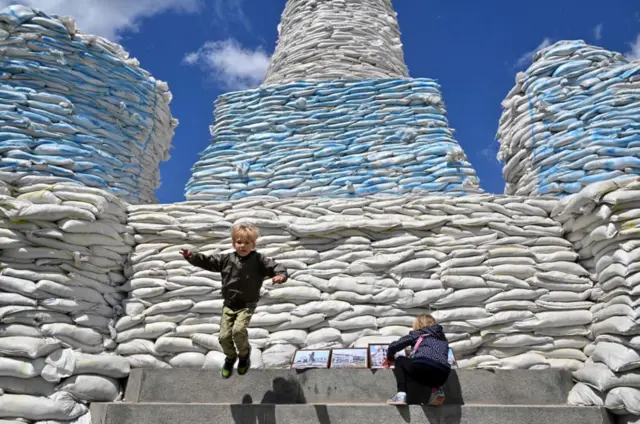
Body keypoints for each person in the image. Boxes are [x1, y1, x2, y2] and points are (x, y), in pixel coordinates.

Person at [180, 223, 288, 379]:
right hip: (229, 305)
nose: (242, 246)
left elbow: (276, 266)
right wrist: (192, 256)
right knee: (223, 337)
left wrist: (280, 276)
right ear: (233, 243)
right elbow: (208, 261)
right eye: (239, 242)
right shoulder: (226, 259)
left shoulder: (258, 260)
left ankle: (243, 355)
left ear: (253, 244)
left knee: (238, 331)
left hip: (247, 305)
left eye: (247, 243)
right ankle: (230, 357)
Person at [383, 314, 450, 406]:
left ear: (418, 324)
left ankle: (401, 394)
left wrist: (390, 357)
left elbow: (395, 345)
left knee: (400, 360)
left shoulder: (418, 333)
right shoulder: (443, 338)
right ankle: (436, 391)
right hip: (443, 373)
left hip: (422, 368)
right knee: (433, 366)